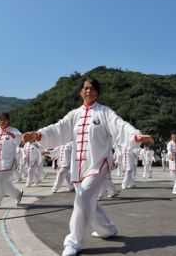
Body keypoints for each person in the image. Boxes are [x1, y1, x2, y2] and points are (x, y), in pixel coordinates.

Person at [21, 77, 153, 256]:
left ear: (97, 92)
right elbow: (58, 129)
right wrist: (38, 135)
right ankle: (107, 229)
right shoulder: (74, 115)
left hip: (98, 163)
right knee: (88, 200)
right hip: (78, 166)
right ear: (81, 92)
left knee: (82, 197)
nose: (88, 91)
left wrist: (135, 136)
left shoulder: (104, 112)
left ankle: (73, 242)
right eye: (85, 88)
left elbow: (120, 126)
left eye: (91, 88)